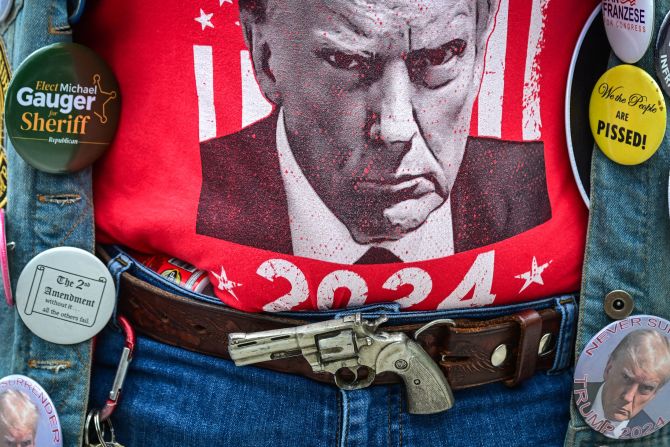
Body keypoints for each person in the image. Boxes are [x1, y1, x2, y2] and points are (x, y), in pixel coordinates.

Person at [196, 0, 551, 263]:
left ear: (478, 48)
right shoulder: (199, 188)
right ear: (264, 58)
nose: (396, 128)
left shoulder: (532, 191)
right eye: (347, 61)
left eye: (442, 55)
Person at [586, 330, 670, 439]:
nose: (628, 397)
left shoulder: (653, 436)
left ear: (654, 394)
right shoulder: (568, 394)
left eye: (646, 388)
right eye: (626, 378)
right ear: (608, 369)